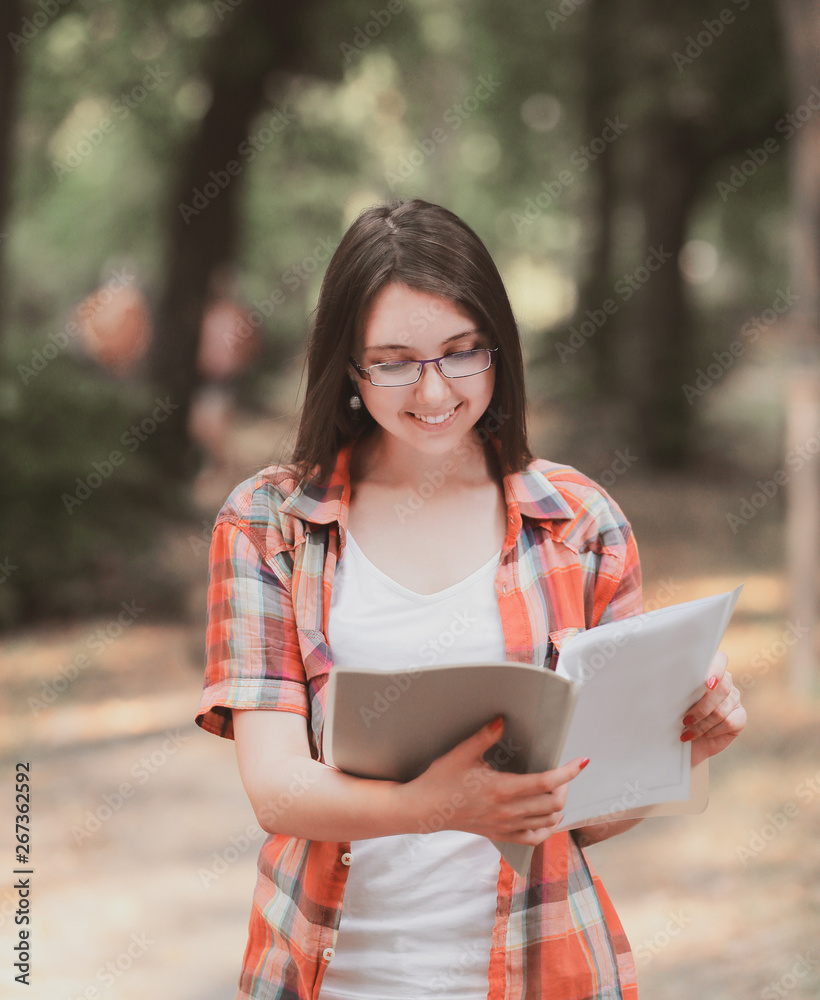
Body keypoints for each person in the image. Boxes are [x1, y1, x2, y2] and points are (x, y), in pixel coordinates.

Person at [195, 198, 746, 1000]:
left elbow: (582, 816)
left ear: (500, 347)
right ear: (347, 367)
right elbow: (276, 789)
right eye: (393, 360)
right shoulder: (268, 524)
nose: (433, 391)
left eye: (461, 353)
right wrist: (436, 805)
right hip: (333, 972)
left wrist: (685, 744)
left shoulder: (577, 522)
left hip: (542, 967)